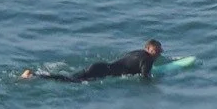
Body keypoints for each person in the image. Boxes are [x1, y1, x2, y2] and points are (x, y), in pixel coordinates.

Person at [27, 40, 165, 82]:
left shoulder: (138, 52)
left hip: (100, 67)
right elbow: (145, 77)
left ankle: (36, 75)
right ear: (148, 49)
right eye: (156, 50)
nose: (158, 53)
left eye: (159, 50)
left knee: (70, 77)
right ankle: (35, 76)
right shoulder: (148, 59)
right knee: (70, 81)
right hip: (102, 72)